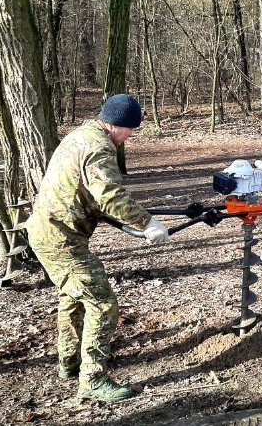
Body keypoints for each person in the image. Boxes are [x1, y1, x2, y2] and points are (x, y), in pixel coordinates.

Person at [26, 94, 169, 402]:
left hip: (46, 231)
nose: (130, 136)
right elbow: (109, 196)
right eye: (130, 129)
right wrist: (147, 224)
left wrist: (125, 220)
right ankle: (92, 380)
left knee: (72, 299)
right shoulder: (100, 146)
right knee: (102, 304)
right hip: (61, 239)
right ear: (116, 124)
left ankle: (71, 363)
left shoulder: (80, 135)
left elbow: (86, 191)